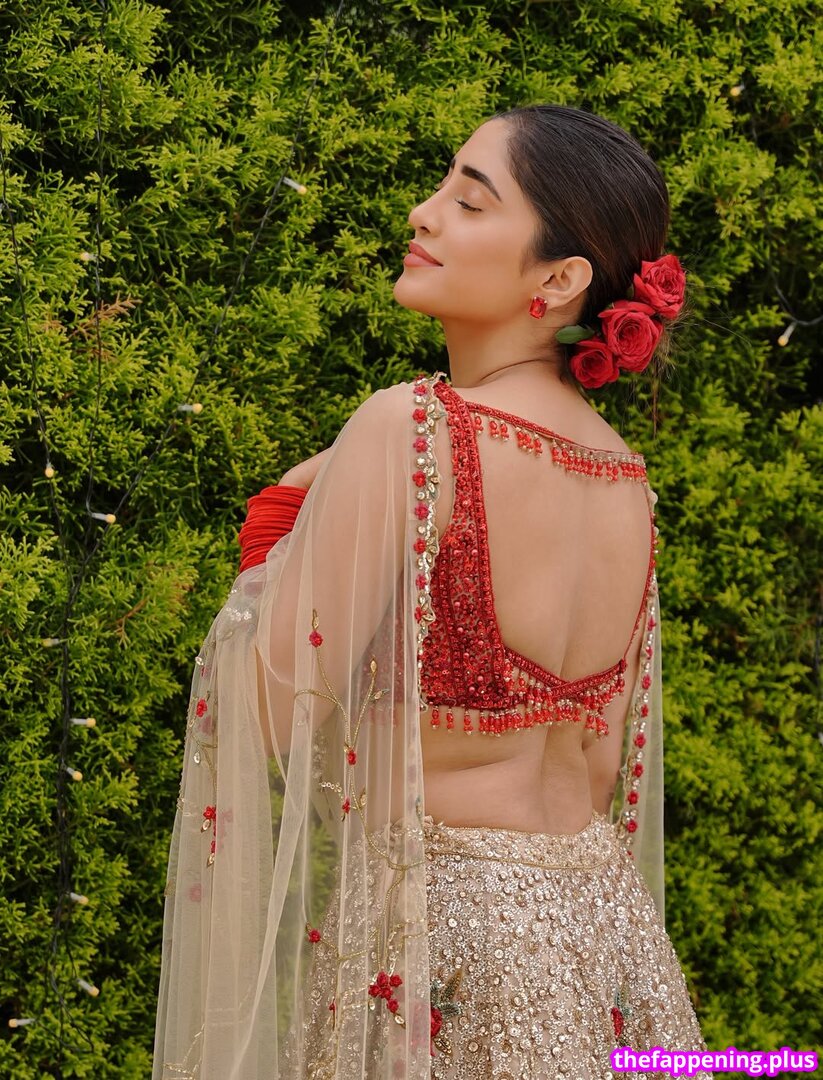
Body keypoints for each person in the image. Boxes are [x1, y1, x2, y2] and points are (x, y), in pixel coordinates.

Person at [153, 104, 712, 1079]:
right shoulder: (625, 479)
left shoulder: (414, 430)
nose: (423, 213)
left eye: (470, 200)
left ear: (559, 280)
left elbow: (266, 712)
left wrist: (280, 516)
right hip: (605, 941)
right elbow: (599, 768)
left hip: (449, 947)